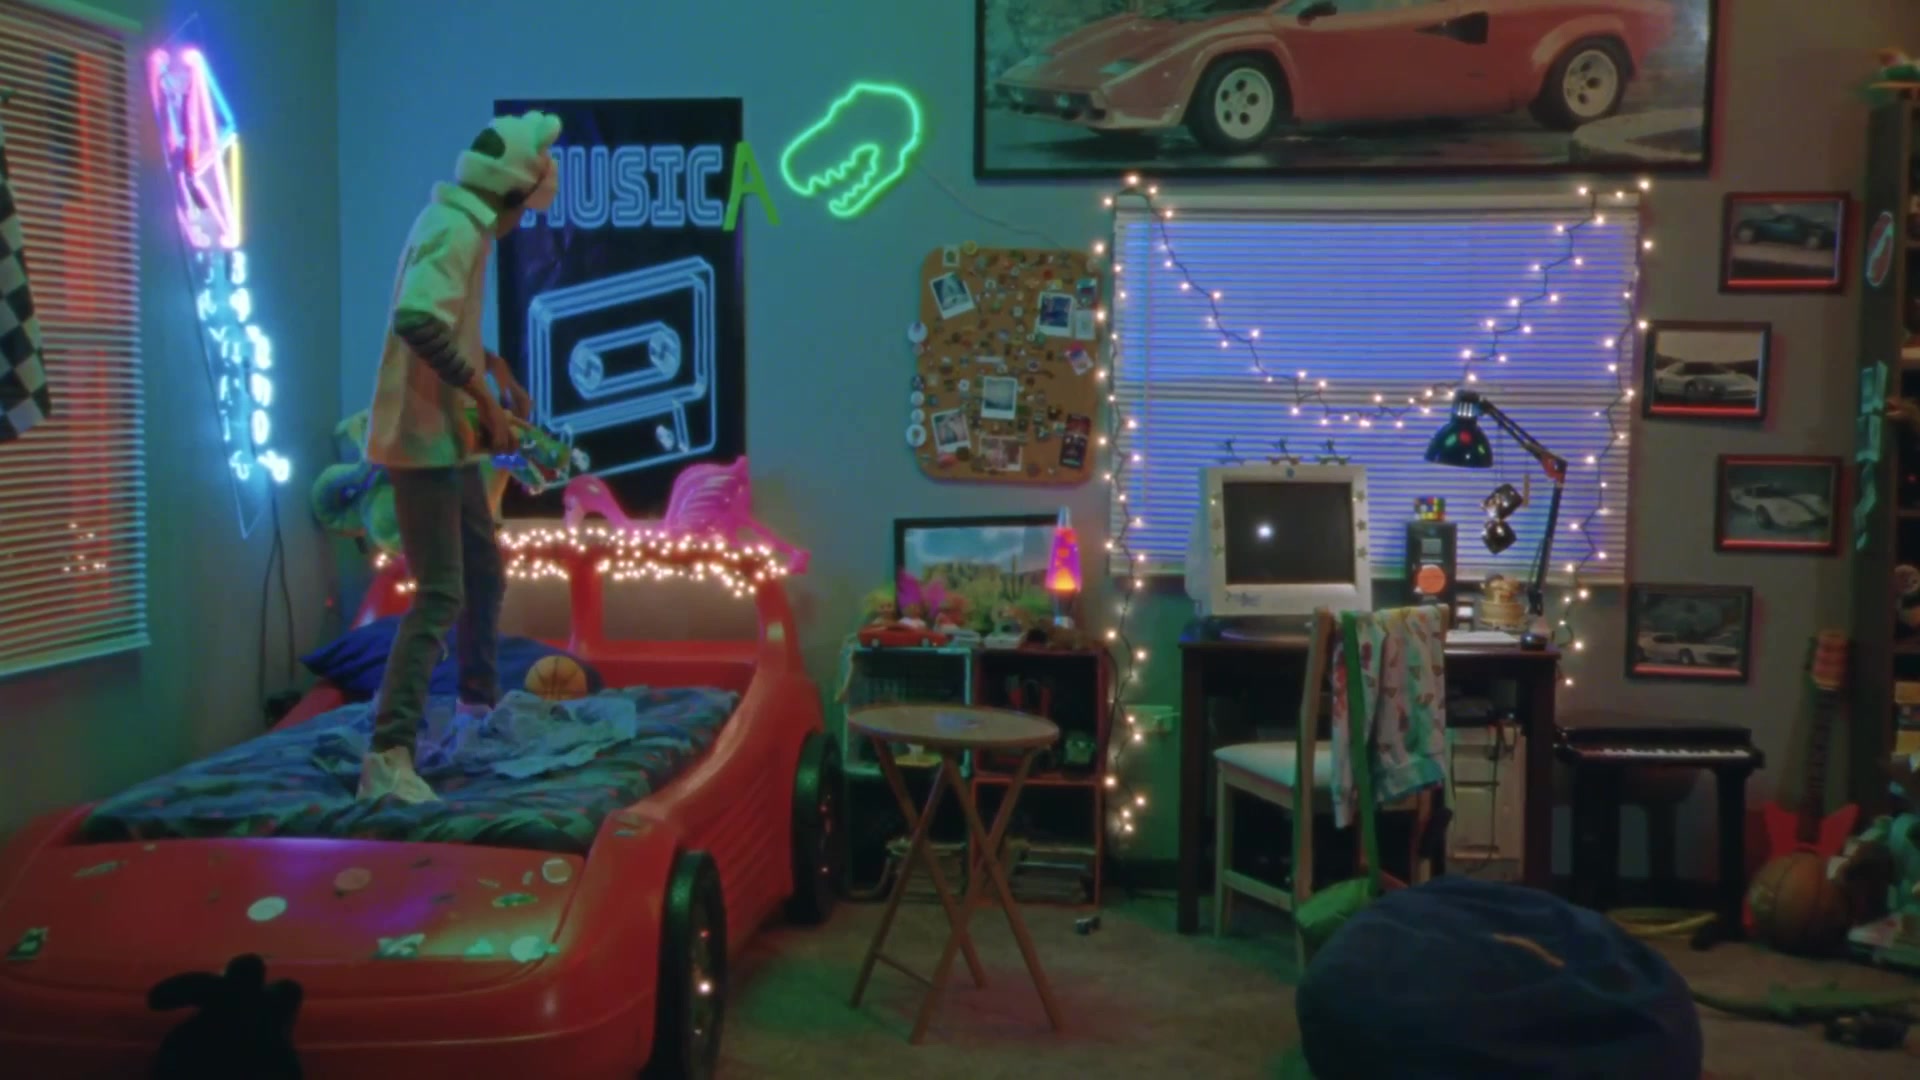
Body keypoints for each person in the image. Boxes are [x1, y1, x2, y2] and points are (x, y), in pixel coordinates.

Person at [358, 110, 562, 803]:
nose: (521, 222)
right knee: (442, 592)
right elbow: (417, 321)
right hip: (422, 442)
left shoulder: (459, 224)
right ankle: (388, 754)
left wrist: (493, 367)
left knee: (482, 569)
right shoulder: (456, 229)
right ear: (510, 195)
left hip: (449, 438)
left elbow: (444, 322)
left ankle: (476, 708)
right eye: (524, 209)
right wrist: (484, 398)